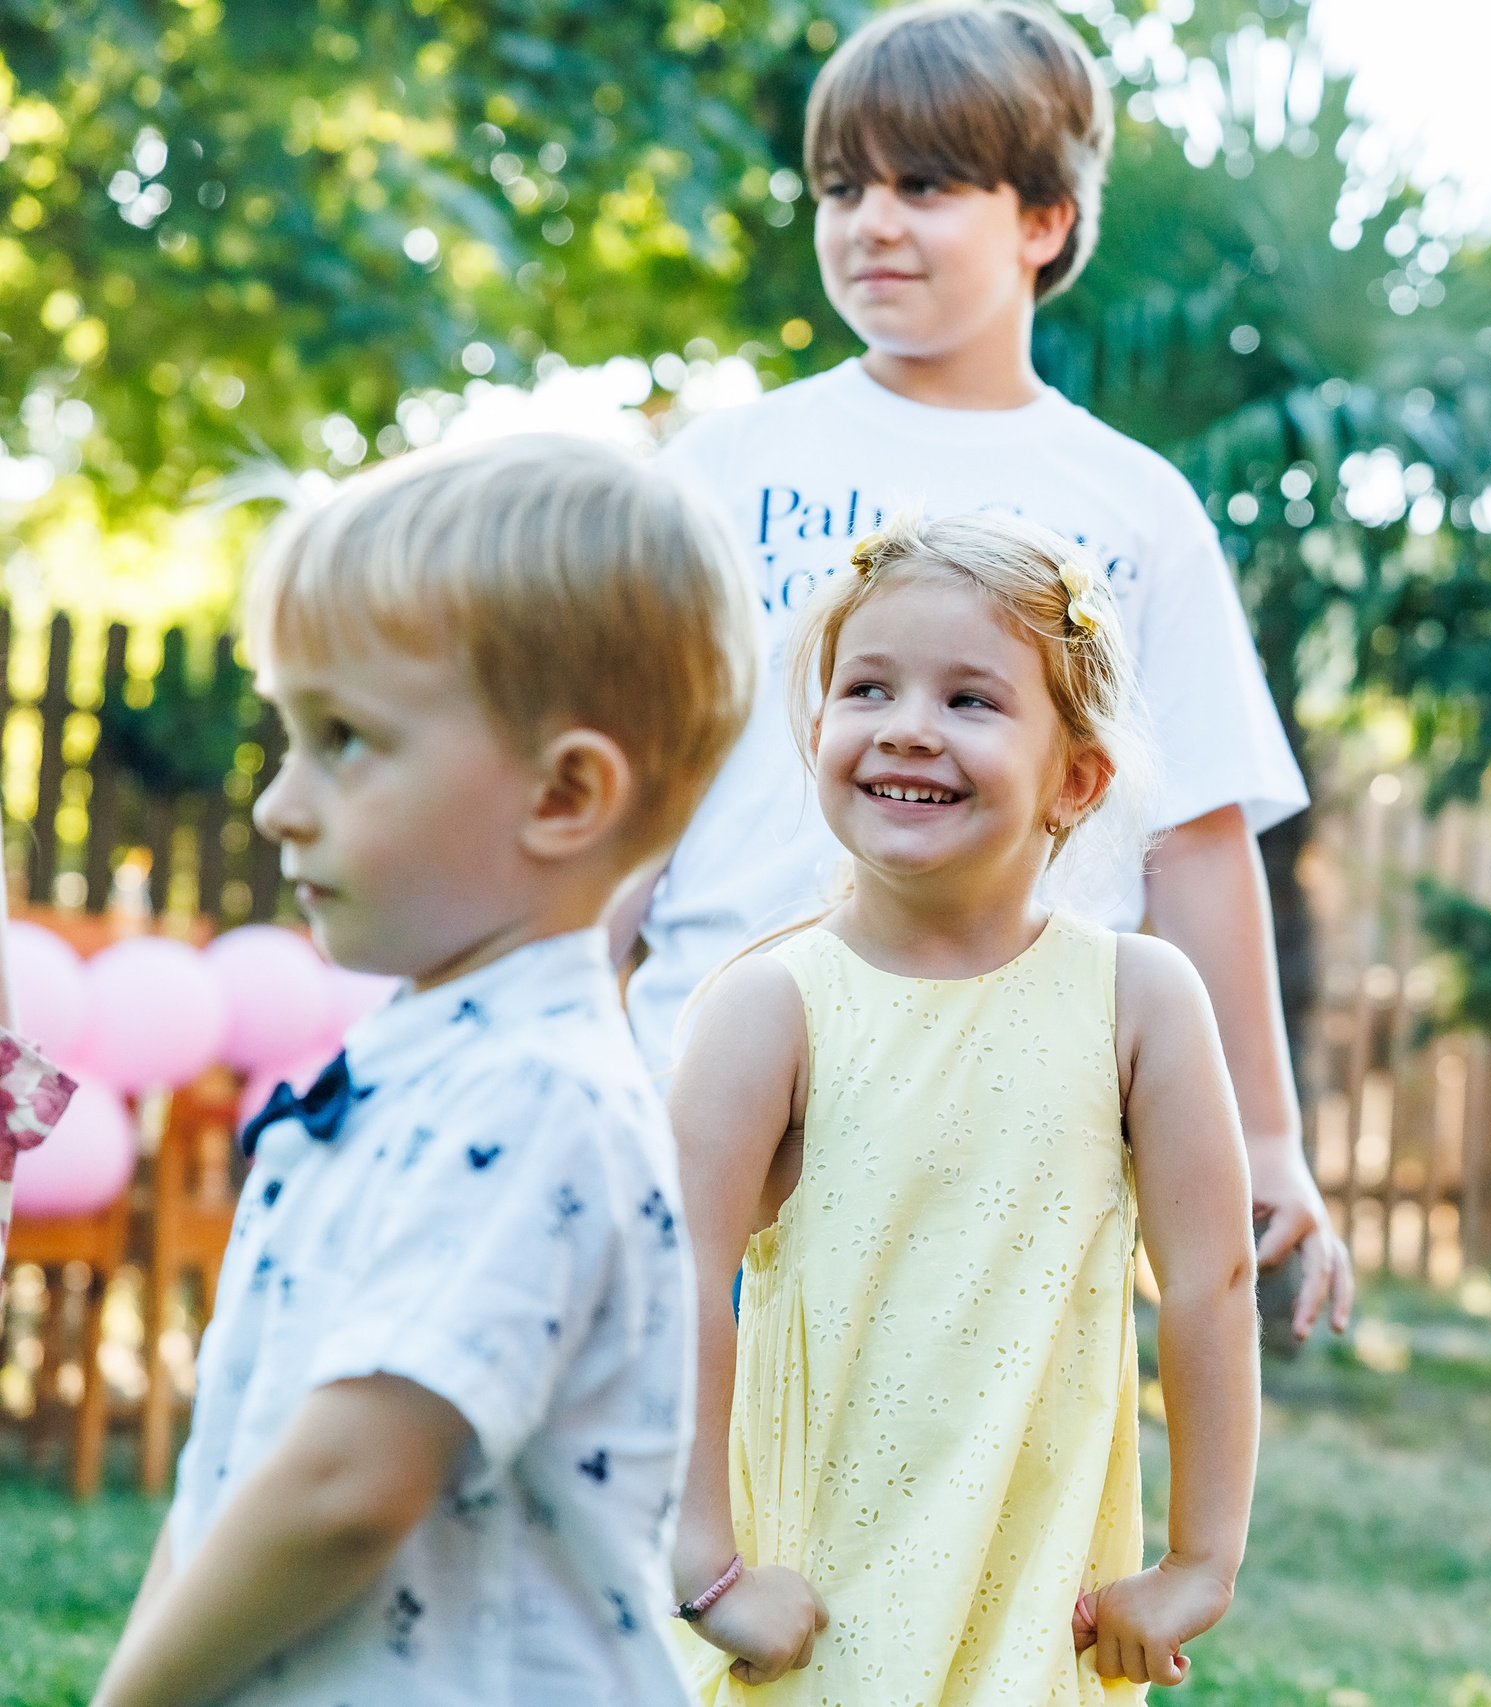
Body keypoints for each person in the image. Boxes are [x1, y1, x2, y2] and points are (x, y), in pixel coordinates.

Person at [611, 0, 1351, 1337]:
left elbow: (1193, 834)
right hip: (712, 1084)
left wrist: (1267, 1129)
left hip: (1011, 1126)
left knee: (957, 1507)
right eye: (843, 185)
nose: (871, 222)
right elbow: (628, 792)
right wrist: (566, 1041)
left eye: (928, 184)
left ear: (1044, 221)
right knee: (694, 1510)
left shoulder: (1132, 505)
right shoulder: (723, 470)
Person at [90, 436, 759, 1707]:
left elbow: (348, 1486)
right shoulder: (418, 1072)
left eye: (343, 740)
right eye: (287, 734)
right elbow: (248, 1465)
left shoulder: (535, 1099)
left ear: (564, 796)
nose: (281, 802)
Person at [667, 511, 1260, 1702]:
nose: (907, 730)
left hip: (1035, 1616)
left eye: (971, 701)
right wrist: (706, 1565)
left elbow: (1211, 1280)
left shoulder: (1138, 1001)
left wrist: (1199, 1560)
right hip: (816, 1613)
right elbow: (672, 1285)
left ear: (1076, 779)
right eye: (867, 688)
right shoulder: (769, 1008)